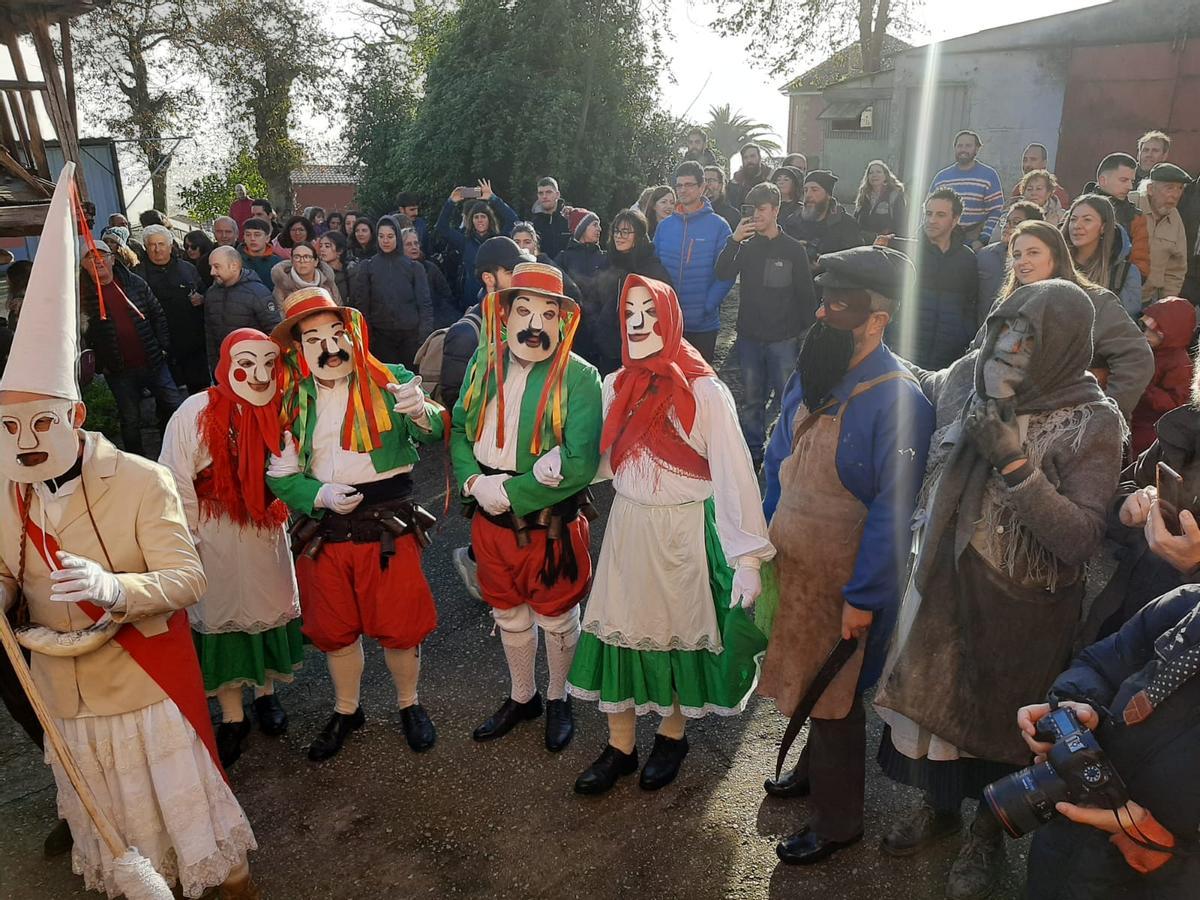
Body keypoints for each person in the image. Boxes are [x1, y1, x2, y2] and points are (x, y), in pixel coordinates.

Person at [0, 162, 258, 900]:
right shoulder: (6, 490)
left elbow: (188, 580)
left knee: (203, 846)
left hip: (145, 693)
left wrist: (116, 587)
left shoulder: (142, 480)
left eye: (41, 422)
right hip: (67, 703)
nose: (23, 440)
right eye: (9, 426)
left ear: (76, 417)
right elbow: (9, 572)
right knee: (123, 853)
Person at [872, 278, 1125, 900]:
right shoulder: (970, 384)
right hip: (940, 585)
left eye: (1029, 335)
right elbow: (917, 382)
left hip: (1023, 610)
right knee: (933, 711)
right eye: (1003, 328)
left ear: (1063, 344)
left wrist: (1014, 463)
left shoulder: (1094, 421)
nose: (1007, 345)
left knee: (998, 728)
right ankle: (937, 812)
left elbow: (1081, 539)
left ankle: (983, 838)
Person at [761, 246, 935, 865]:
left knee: (836, 703)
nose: (822, 312)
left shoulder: (901, 401)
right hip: (796, 569)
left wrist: (864, 598)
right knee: (809, 681)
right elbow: (779, 456)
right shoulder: (814, 370)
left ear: (878, 318)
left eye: (839, 305)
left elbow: (892, 515)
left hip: (846, 582)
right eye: (823, 300)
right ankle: (811, 772)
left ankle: (837, 824)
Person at [567, 274, 772, 794]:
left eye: (649, 312)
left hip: (684, 531)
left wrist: (747, 557)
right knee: (621, 624)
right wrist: (549, 470)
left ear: (671, 317)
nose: (637, 322)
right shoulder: (616, 384)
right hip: (629, 525)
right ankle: (619, 746)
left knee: (672, 629)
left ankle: (671, 734)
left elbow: (734, 471)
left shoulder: (704, 389)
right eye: (629, 312)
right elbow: (601, 460)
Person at [266, 286, 444, 761]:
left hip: (388, 526)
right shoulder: (290, 401)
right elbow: (280, 476)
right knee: (335, 628)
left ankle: (410, 703)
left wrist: (420, 411)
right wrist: (317, 494)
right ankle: (348, 709)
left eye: (336, 333)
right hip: (323, 530)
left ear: (353, 334)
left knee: (400, 624)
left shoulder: (391, 379)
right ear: (299, 350)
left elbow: (438, 428)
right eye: (313, 338)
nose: (329, 348)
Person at [450, 262, 601, 753]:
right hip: (489, 521)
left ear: (562, 322)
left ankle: (559, 698)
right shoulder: (483, 360)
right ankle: (523, 696)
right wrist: (473, 480)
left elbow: (579, 464)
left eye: (548, 314)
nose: (535, 325)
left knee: (557, 614)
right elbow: (458, 430)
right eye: (524, 310)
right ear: (504, 314)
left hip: (546, 525)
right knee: (508, 613)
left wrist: (512, 494)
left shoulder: (580, 377)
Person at [159, 329, 303, 768]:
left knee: (263, 605)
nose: (258, 375)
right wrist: (187, 536)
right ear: (225, 363)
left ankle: (266, 695)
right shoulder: (196, 411)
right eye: (246, 363)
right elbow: (175, 476)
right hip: (215, 529)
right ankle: (233, 715)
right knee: (222, 612)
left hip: (265, 527)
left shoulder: (280, 407)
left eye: (267, 364)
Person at [1023, 585, 1200, 900]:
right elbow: (1102, 663)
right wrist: (1078, 707)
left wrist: (1154, 851)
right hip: (1065, 840)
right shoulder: (1186, 606)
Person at [1082, 366, 1200, 643]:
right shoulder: (1186, 428)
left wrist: (1193, 567)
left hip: (1182, 662)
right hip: (1121, 621)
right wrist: (1125, 507)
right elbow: (1128, 484)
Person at [992, 220, 1153, 419]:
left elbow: (1137, 358)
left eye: (1033, 252)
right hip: (1008, 426)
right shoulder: (1006, 306)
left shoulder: (1096, 302)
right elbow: (978, 355)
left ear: (1057, 256)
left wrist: (1104, 414)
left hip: (1072, 428)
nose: (1022, 261)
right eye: (1017, 255)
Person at [715, 181, 817, 468]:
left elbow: (806, 297)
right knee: (752, 401)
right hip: (749, 338)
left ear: (775, 210)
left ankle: (786, 454)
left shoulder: (794, 249)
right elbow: (722, 272)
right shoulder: (746, 247)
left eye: (761, 209)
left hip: (783, 341)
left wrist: (801, 337)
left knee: (789, 402)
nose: (755, 215)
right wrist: (733, 240)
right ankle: (754, 454)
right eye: (752, 209)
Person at [79, 242, 183, 456]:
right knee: (130, 419)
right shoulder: (80, 296)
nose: (98, 261)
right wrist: (99, 365)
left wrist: (162, 347)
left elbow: (158, 314)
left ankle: (176, 450)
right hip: (118, 371)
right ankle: (137, 462)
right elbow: (80, 334)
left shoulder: (134, 283)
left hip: (153, 361)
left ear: (113, 259)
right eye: (91, 257)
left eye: (103, 255)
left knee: (175, 405)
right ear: (83, 265)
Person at [883, 188, 978, 370]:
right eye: (928, 213)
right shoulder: (906, 252)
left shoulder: (967, 259)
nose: (932, 220)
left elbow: (971, 304)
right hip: (904, 352)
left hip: (947, 358)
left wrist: (963, 335)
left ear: (956, 219)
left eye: (940, 215)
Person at [653, 161, 735, 362]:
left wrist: (707, 306)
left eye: (689, 185)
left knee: (699, 387)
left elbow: (727, 273)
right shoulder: (665, 227)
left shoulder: (719, 227)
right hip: (668, 323)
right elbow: (653, 267)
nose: (683, 190)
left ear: (702, 187)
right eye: (679, 185)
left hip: (703, 326)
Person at [592, 209, 672, 376]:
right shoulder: (607, 263)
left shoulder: (652, 269)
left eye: (626, 231)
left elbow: (666, 311)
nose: (619, 236)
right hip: (610, 349)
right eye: (616, 231)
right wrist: (600, 332)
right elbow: (596, 301)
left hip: (642, 350)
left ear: (639, 235)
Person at [349, 216, 433, 367]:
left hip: (410, 338)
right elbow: (362, 306)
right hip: (381, 339)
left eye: (390, 236)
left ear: (397, 238)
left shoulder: (414, 268)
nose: (385, 241)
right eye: (381, 236)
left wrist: (423, 338)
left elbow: (425, 305)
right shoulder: (368, 267)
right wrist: (368, 338)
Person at [139, 223, 209, 395]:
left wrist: (202, 298)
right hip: (159, 347)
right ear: (145, 248)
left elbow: (205, 293)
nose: (157, 249)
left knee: (200, 391)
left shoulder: (187, 269)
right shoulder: (138, 275)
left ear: (170, 246)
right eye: (152, 245)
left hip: (192, 343)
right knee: (167, 397)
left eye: (161, 244)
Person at [436, 179, 519, 311]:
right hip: (470, 299)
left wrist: (493, 198)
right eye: (476, 217)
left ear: (489, 219)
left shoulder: (498, 240)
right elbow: (442, 228)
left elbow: (514, 221)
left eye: (483, 216)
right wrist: (451, 202)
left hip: (495, 297)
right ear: (471, 220)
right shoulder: (464, 241)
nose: (480, 220)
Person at [1130, 297, 1196, 457]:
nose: (1146, 334)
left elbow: (1175, 403)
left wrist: (1143, 387)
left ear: (1172, 333)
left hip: (1154, 426)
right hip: (1138, 415)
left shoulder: (1180, 363)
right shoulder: (1152, 351)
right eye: (1146, 329)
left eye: (1154, 331)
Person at [205, 246, 282, 374]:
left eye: (217, 266)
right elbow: (210, 334)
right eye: (211, 266)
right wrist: (215, 367)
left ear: (234, 266)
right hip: (225, 367)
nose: (212, 272)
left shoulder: (258, 292)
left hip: (256, 368)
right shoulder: (212, 293)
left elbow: (274, 331)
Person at [1065, 194, 1144, 318]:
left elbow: (1125, 324)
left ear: (1103, 227)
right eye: (1073, 219)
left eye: (1087, 220)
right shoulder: (1055, 263)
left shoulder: (1124, 273)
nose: (1077, 226)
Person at [929, 130, 1005, 248]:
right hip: (943, 239)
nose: (963, 149)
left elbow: (996, 211)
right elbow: (928, 208)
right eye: (960, 146)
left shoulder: (989, 175)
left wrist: (983, 239)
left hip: (973, 239)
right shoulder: (941, 177)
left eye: (968, 146)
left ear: (976, 149)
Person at [555, 210, 609, 366]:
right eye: (594, 224)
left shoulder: (605, 257)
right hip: (573, 333)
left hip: (601, 334)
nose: (599, 229)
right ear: (581, 228)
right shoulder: (563, 258)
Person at [1132, 163, 1191, 304]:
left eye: (1180, 188)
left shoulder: (1175, 219)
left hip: (1147, 300)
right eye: (1169, 187)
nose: (1176, 195)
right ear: (1150, 189)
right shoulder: (1130, 204)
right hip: (1113, 296)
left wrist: (1164, 306)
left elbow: (1176, 269)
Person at [976, 201, 1044, 323]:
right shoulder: (984, 255)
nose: (1007, 226)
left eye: (1016, 222)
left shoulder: (1040, 263)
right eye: (1006, 221)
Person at [1086, 153, 1151, 280]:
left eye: (1132, 181)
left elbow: (1141, 267)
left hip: (1116, 291)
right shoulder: (1077, 211)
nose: (1130, 187)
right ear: (1103, 180)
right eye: (1123, 180)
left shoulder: (1135, 217)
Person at [787, 170, 863, 265]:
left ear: (828, 195)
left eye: (814, 190)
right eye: (806, 190)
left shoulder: (846, 224)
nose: (808, 195)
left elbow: (856, 260)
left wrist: (826, 263)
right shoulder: (792, 222)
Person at [403, 227, 458, 329]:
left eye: (416, 243)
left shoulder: (431, 268)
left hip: (434, 323)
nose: (414, 247)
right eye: (408, 244)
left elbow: (447, 296)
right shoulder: (396, 271)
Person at [271, 238, 342, 308]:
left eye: (307, 257)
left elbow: (338, 308)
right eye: (297, 257)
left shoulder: (328, 283)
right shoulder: (282, 286)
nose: (302, 261)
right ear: (292, 261)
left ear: (315, 262)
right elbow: (280, 314)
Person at [854, 160, 908, 240]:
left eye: (878, 172)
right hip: (863, 243)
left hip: (885, 244)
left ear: (885, 176)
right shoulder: (863, 196)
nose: (874, 175)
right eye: (871, 173)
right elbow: (855, 220)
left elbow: (901, 225)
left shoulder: (894, 196)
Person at [1011, 143, 1071, 209]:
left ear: (1044, 163)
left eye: (1033, 159)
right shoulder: (1017, 189)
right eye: (1025, 160)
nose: (1027, 164)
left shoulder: (1058, 193)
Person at [530, 177, 574, 261]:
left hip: (569, 272)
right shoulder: (534, 224)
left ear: (557, 194)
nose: (544, 196)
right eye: (541, 193)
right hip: (544, 271)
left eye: (548, 192)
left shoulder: (570, 218)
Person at [727, 142, 774, 209]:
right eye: (745, 157)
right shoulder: (736, 182)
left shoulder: (771, 178)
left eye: (752, 156)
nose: (749, 160)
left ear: (759, 157)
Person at [240, 217, 285, 285]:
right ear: (244, 238)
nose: (252, 239)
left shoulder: (278, 263)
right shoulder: (237, 261)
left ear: (267, 238)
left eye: (257, 235)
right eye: (248, 235)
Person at [316, 229, 352, 307]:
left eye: (327, 246)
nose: (322, 249)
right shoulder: (317, 273)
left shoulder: (351, 272)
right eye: (321, 246)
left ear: (340, 251)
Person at [703, 166, 741, 231]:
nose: (706, 184)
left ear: (720, 185)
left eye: (710, 180)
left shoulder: (732, 215)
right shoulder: (692, 212)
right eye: (703, 180)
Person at [395, 193, 430, 258]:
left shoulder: (421, 224)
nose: (416, 213)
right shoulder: (390, 225)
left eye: (417, 209)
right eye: (412, 209)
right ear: (401, 209)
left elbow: (427, 250)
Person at [772, 166, 804, 233]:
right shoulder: (770, 207)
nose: (781, 182)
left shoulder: (801, 209)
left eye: (786, 180)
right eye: (778, 180)